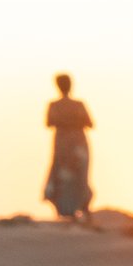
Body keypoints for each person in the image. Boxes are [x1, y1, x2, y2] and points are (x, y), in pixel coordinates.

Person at [45, 73, 94, 223]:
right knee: (64, 176)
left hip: (75, 146)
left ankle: (81, 209)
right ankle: (67, 212)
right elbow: (49, 122)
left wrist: (66, 122)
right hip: (66, 145)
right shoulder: (59, 105)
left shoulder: (73, 105)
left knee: (78, 176)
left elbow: (89, 123)